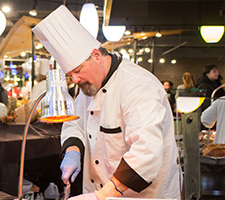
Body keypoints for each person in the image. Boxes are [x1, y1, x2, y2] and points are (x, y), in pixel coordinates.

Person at [32, 5, 181, 200]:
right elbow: (74, 124)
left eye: (77, 71)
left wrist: (103, 195)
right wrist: (73, 151)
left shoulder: (137, 85)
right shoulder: (87, 87)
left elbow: (147, 152)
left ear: (96, 55)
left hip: (141, 194)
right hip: (97, 188)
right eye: (70, 75)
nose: (75, 80)